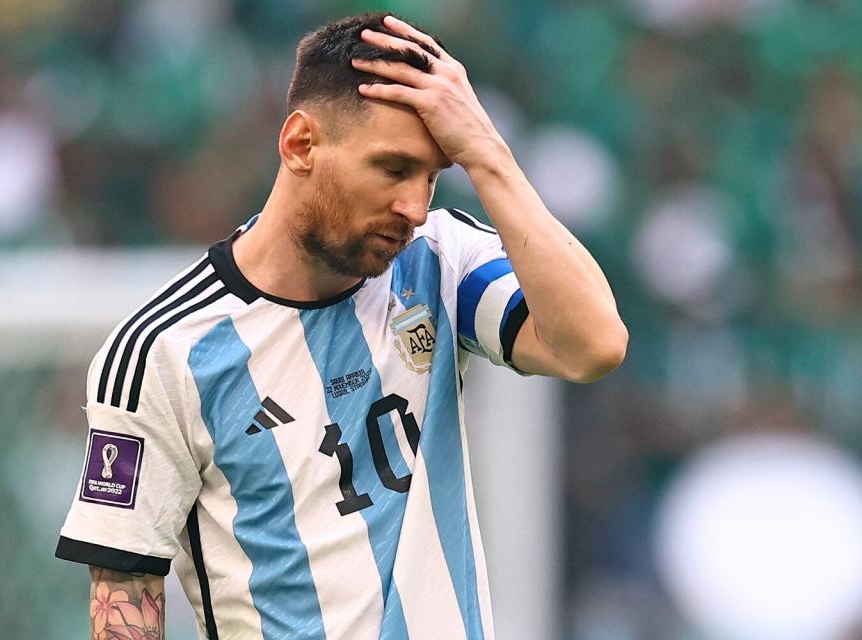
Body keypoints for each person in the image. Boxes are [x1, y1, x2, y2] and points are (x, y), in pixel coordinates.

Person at [55, 12, 627, 640]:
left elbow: (592, 345)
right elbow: (125, 596)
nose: (414, 207)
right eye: (393, 169)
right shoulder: (163, 352)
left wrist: (488, 155)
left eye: (433, 177)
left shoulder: (441, 261)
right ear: (300, 144)